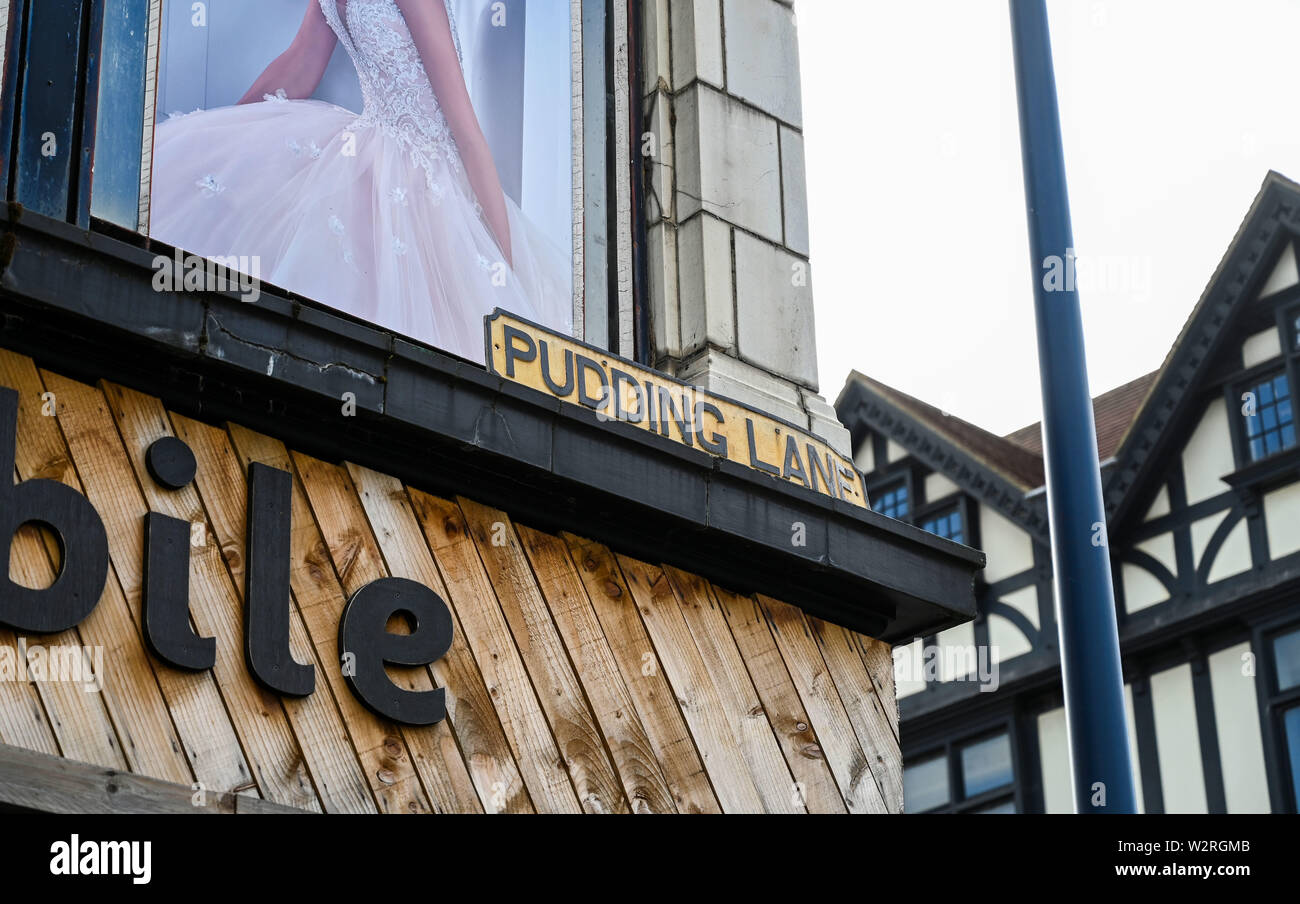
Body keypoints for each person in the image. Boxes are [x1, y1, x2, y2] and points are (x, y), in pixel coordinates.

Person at [150, 0, 571, 362]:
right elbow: (300, 63)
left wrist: (506, 270)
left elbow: (465, 131)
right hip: (368, 154)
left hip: (429, 187)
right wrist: (223, 133)